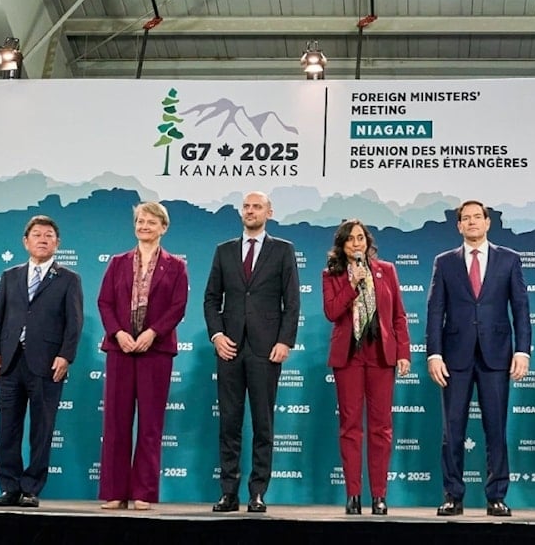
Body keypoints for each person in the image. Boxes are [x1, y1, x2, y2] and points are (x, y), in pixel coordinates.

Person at [426, 200, 531, 517]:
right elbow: (435, 311)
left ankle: (496, 495)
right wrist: (434, 354)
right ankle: (452, 495)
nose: (471, 222)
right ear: (458, 226)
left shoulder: (509, 260)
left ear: (488, 223)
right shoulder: (444, 262)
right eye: (465, 219)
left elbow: (521, 309)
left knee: (496, 429)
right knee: (452, 430)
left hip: (496, 356)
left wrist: (522, 350)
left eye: (477, 217)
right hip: (454, 356)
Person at [203, 191, 301, 513]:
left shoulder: (283, 250)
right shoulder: (223, 251)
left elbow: (292, 302)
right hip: (229, 348)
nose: (250, 210)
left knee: (263, 423)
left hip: (266, 350)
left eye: (257, 206)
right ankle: (228, 493)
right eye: (246, 206)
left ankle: (257, 492)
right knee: (228, 424)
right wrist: (217, 335)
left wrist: (285, 341)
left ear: (269, 212)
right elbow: (211, 299)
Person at [0, 215, 83, 508]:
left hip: (48, 363)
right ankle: (9, 486)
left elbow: (74, 323)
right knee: (8, 427)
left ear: (57, 243)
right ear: (25, 242)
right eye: (37, 234)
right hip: (10, 361)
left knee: (42, 428)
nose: (42, 239)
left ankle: (31, 488)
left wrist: (65, 355)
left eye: (49, 235)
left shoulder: (69, 279)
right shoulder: (9, 276)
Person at [97, 201, 189, 511]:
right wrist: (119, 334)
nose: (144, 226)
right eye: (140, 221)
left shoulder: (176, 265)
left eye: (151, 222)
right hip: (120, 349)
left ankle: (143, 493)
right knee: (116, 423)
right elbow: (105, 303)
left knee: (150, 424)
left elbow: (178, 307)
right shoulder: (117, 262)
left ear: (164, 227)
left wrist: (152, 334)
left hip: (156, 351)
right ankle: (114, 491)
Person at [322, 219, 411, 516]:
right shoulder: (331, 275)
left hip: (380, 354)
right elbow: (332, 312)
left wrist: (403, 352)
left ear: (367, 241)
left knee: (381, 428)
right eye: (350, 239)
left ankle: (380, 496)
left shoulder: (387, 271)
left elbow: (398, 315)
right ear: (343, 246)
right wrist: (351, 283)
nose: (357, 243)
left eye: (360, 237)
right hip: (349, 356)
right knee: (350, 427)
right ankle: (353, 496)